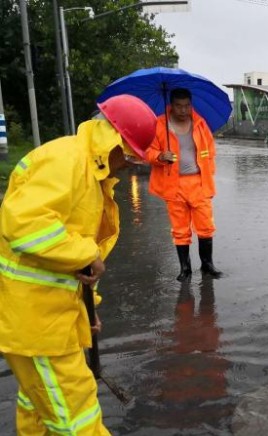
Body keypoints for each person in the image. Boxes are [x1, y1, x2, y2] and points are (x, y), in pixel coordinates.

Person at [0, 94, 157, 435]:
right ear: (113, 141)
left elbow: (78, 265)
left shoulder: (93, 176)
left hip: (48, 318)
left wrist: (89, 312)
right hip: (38, 324)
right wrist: (85, 251)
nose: (130, 165)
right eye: (129, 156)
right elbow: (23, 226)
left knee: (39, 406)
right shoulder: (68, 161)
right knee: (78, 418)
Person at [145, 88, 222, 280]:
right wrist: (160, 156)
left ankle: (207, 265)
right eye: (179, 106)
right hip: (173, 184)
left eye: (187, 105)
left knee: (205, 226)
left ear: (191, 104)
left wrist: (208, 174)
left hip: (198, 183)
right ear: (171, 105)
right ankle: (185, 269)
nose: (183, 110)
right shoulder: (159, 125)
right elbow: (147, 151)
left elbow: (210, 151)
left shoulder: (200, 123)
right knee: (180, 229)